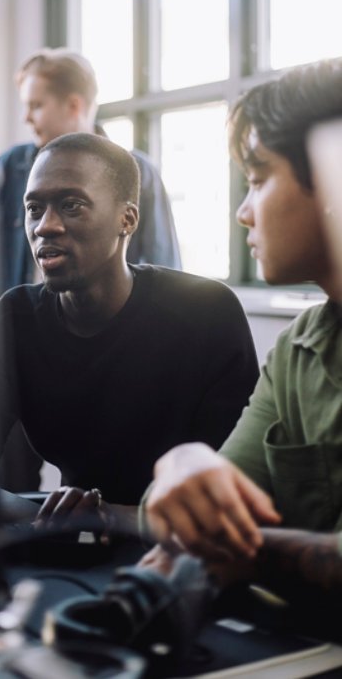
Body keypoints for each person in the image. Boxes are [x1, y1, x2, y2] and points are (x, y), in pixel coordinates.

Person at [0, 132, 258, 532]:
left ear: (126, 219)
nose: (45, 226)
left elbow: (233, 493)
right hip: (73, 557)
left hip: (185, 567)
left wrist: (113, 517)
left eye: (72, 205)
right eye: (34, 208)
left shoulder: (207, 314)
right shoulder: (8, 322)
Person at [139, 58, 342, 608]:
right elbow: (193, 516)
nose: (242, 212)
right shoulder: (297, 349)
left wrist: (239, 550)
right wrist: (181, 466)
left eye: (256, 181)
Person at [0, 48, 181, 491]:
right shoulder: (7, 169)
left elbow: (163, 268)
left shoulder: (137, 174)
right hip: (23, 360)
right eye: (36, 209)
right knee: (4, 494)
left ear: (74, 105)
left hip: (118, 361)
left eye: (36, 105)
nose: (28, 118)